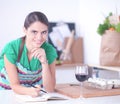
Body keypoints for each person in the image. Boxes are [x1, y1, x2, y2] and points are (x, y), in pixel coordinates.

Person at [0, 11, 57, 97]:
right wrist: (30, 91)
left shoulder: (49, 51)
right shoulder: (11, 48)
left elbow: (50, 89)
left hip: (34, 95)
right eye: (34, 32)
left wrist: (44, 63)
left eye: (44, 32)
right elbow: (15, 86)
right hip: (7, 93)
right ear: (25, 30)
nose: (39, 38)